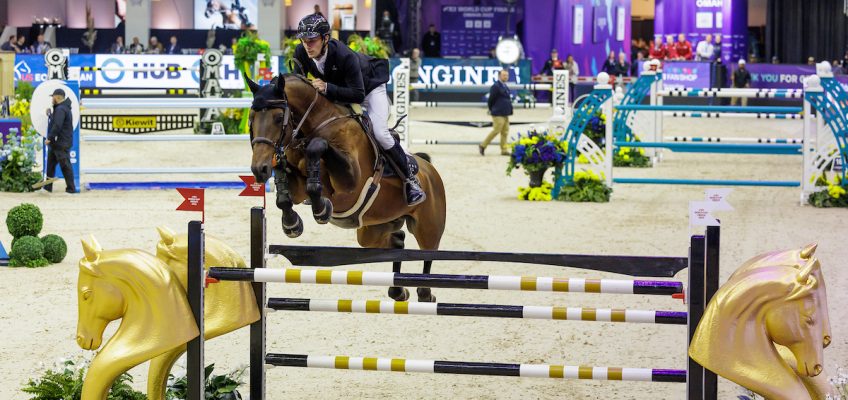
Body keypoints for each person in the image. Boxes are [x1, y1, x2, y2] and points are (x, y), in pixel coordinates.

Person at [292, 14, 425, 206]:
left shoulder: (344, 55)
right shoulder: (301, 52)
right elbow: (301, 86)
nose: (307, 45)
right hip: (339, 89)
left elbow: (357, 95)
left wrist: (327, 88)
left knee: (379, 132)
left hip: (369, 89)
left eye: (312, 40)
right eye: (304, 40)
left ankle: (411, 182)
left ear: (326, 38)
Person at [44, 88, 76, 193]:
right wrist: (50, 114)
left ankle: (71, 189)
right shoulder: (62, 108)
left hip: (60, 143)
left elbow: (57, 125)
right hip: (58, 143)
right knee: (51, 166)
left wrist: (50, 138)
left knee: (65, 166)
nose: (52, 99)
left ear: (57, 97)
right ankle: (48, 188)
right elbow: (56, 121)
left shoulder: (61, 109)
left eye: (53, 96)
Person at [480, 69, 513, 156]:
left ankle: (504, 149)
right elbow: (491, 99)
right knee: (497, 130)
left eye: (507, 75)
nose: (506, 77)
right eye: (504, 75)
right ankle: (483, 145)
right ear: (499, 76)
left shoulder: (504, 86)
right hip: (498, 112)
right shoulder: (495, 86)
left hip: (505, 112)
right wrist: (491, 109)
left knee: (505, 132)